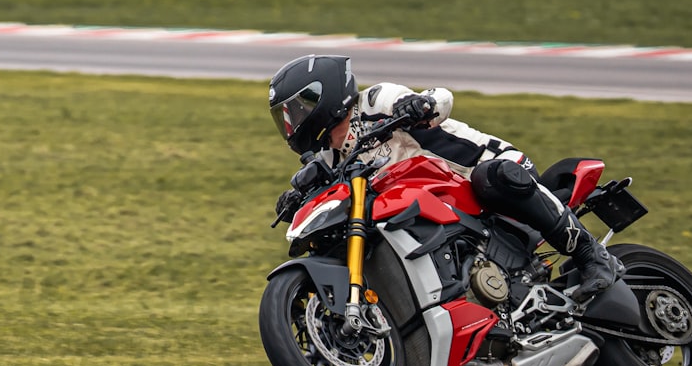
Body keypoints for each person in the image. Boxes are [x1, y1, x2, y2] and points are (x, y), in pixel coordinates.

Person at [267, 54, 623, 302]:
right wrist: (297, 197)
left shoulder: (377, 101)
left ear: (323, 95)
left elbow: (441, 98)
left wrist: (419, 106)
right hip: (444, 207)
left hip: (486, 172)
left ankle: (594, 257)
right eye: (285, 116)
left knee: (494, 177)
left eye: (295, 110)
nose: (291, 122)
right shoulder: (332, 155)